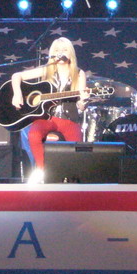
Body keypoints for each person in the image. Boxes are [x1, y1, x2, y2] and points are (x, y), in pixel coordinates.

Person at [9, 37, 88, 180]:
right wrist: (17, 94)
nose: (60, 53)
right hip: (46, 118)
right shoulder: (46, 71)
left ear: (70, 53)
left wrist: (84, 101)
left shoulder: (79, 73)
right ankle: (42, 171)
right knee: (33, 135)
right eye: (57, 50)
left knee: (77, 149)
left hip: (69, 119)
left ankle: (72, 180)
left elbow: (81, 106)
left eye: (64, 50)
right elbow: (16, 76)